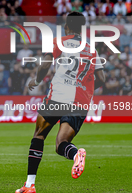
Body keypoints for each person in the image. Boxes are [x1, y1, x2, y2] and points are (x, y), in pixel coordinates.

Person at [16, 12, 106, 193]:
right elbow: (101, 79)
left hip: (57, 96)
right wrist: (85, 91)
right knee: (61, 144)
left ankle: (29, 185)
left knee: (39, 135)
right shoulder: (92, 50)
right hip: (79, 102)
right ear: (83, 27)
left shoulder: (60, 41)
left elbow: (45, 64)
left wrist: (37, 80)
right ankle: (75, 154)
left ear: (67, 26)